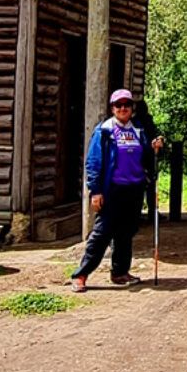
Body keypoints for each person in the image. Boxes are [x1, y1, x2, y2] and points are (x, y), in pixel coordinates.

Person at [71, 89, 163, 293]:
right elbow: (93, 163)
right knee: (102, 233)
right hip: (112, 189)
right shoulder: (104, 131)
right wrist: (95, 191)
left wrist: (155, 147)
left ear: (132, 108)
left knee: (126, 233)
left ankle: (120, 272)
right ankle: (81, 275)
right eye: (118, 105)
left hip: (134, 188)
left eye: (126, 105)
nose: (123, 109)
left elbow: (147, 154)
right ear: (112, 108)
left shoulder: (138, 129)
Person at [135, 99, 164, 225]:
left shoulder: (146, 121)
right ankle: (140, 213)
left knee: (150, 186)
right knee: (142, 187)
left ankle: (151, 212)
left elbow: (152, 138)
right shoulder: (136, 123)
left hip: (149, 157)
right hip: (142, 159)